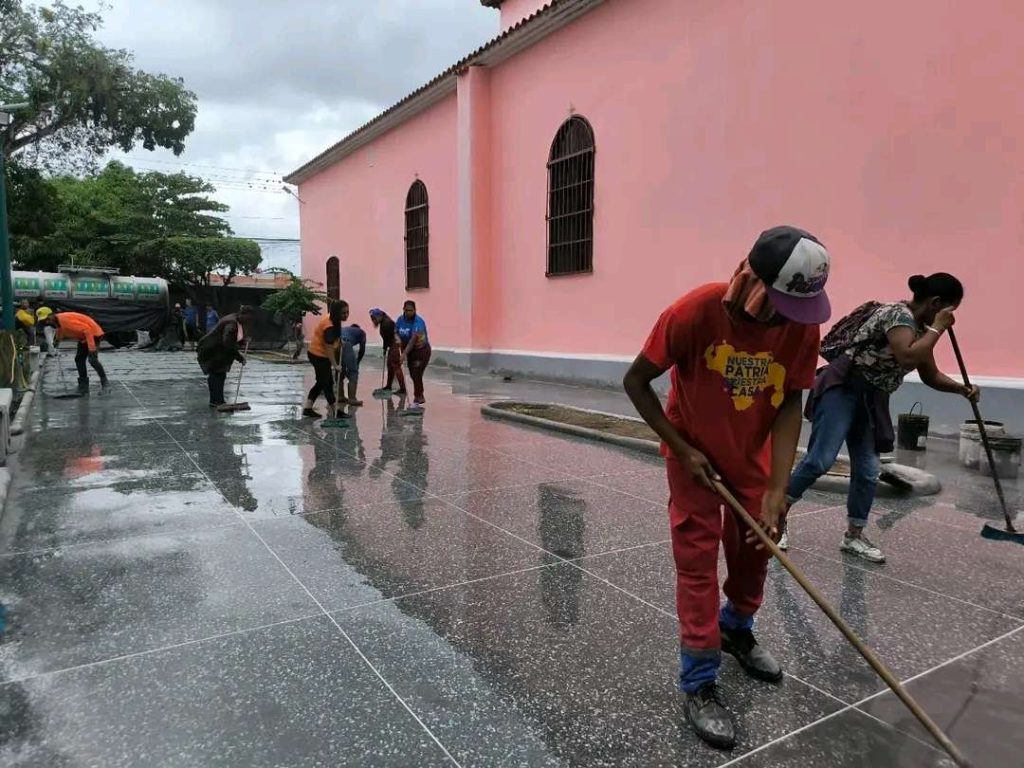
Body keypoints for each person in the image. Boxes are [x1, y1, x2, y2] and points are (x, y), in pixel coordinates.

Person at [622, 225, 830, 750]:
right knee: (697, 561)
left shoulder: (801, 325)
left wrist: (778, 487)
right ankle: (699, 679)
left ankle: (736, 627)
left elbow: (790, 401)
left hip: (752, 459)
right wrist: (681, 447)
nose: (789, 319)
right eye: (781, 304)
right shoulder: (695, 311)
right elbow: (635, 382)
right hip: (692, 458)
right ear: (752, 282)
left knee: (756, 549)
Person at [783, 273, 977, 563]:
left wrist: (962, 389)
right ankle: (776, 517)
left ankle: (854, 536)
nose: (951, 319)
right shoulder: (897, 315)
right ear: (936, 303)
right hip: (842, 390)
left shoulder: (921, 330)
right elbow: (907, 357)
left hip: (872, 401)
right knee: (820, 460)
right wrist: (938, 328)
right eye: (950, 311)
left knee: (868, 469)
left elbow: (930, 374)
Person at [36, 307, 111, 394]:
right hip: (84, 337)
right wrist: (57, 341)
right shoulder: (57, 321)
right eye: (44, 321)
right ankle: (83, 386)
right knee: (79, 359)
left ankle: (105, 384)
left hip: (93, 334)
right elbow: (60, 329)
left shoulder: (64, 320)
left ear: (52, 315)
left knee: (92, 360)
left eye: (47, 319)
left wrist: (92, 348)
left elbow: (87, 330)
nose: (47, 322)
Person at [197, 305, 253, 409]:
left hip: (215, 349)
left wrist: (243, 341)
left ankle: (217, 401)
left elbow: (233, 338)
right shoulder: (232, 323)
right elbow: (228, 344)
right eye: (248, 318)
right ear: (244, 315)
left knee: (219, 374)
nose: (249, 321)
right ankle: (217, 401)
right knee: (217, 375)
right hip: (212, 350)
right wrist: (240, 358)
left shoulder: (236, 320)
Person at [302, 300, 348, 419]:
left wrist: (338, 341)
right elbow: (329, 348)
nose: (346, 315)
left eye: (347, 312)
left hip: (320, 355)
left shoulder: (332, 319)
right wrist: (335, 365)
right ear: (336, 313)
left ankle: (310, 408)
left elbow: (333, 339)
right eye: (343, 313)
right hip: (318, 355)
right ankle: (334, 411)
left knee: (325, 382)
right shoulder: (329, 326)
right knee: (325, 382)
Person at [396, 300, 431, 409]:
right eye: (406, 310)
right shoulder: (400, 320)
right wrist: (397, 339)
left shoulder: (418, 322)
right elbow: (395, 331)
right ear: (403, 310)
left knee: (416, 373)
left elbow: (413, 339)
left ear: (415, 310)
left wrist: (404, 354)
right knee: (412, 374)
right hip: (410, 351)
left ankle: (418, 397)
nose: (408, 313)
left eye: (411, 310)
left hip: (421, 351)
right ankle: (419, 396)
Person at [369, 308, 406, 396]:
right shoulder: (384, 321)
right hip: (392, 345)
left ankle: (403, 389)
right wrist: (385, 348)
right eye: (372, 319)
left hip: (395, 345)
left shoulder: (386, 323)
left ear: (379, 316)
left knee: (396, 366)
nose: (373, 321)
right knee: (390, 365)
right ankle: (389, 386)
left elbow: (387, 338)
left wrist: (385, 349)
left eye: (374, 318)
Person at [341, 322, 367, 407]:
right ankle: (352, 399)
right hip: (346, 343)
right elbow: (362, 350)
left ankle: (340, 396)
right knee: (353, 372)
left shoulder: (345, 329)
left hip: (335, 343)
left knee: (340, 370)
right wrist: (357, 362)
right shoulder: (362, 332)